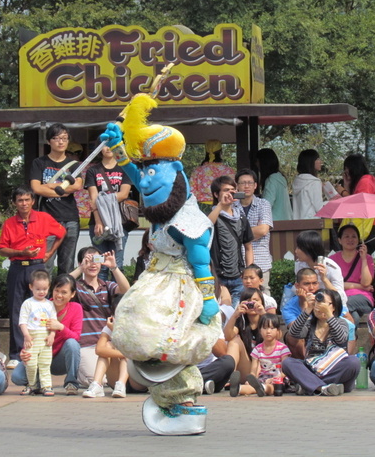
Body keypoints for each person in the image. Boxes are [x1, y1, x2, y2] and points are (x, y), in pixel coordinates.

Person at [101, 102, 221, 435]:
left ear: (177, 178)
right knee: (134, 327)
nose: (147, 183)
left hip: (178, 286)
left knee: (165, 339)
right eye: (147, 175)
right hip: (153, 279)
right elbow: (137, 176)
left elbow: (200, 260)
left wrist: (209, 298)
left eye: (156, 175)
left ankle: (182, 400)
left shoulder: (188, 220)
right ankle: (170, 399)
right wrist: (117, 149)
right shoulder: (161, 213)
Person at [0, 185, 66, 369]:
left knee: (41, 308)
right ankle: (16, 353)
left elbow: (61, 232)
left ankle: (41, 350)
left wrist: (50, 252)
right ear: (14, 203)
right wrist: (21, 251)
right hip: (17, 267)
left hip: (37, 267)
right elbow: (2, 249)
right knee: (16, 309)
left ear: (33, 201)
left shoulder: (43, 217)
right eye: (20, 200)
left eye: (27, 199)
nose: (24, 203)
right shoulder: (10, 223)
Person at [11, 274, 83, 396]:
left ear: (72, 294)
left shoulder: (76, 308)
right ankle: (39, 385)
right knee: (17, 377)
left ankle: (71, 383)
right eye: (57, 290)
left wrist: (60, 327)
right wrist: (25, 351)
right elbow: (30, 329)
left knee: (72, 344)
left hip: (58, 359)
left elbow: (76, 337)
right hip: (38, 352)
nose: (59, 295)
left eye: (64, 292)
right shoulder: (41, 305)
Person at [281, 289, 360, 396]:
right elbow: (294, 333)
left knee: (353, 361)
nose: (320, 306)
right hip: (312, 368)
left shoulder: (341, 322)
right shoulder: (309, 324)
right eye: (318, 302)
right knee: (288, 363)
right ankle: (323, 388)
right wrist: (307, 309)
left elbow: (341, 339)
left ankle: (309, 386)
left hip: (334, 368)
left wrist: (328, 315)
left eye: (325, 303)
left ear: (334, 306)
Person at [69, 247, 129, 387]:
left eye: (97, 260)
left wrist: (114, 267)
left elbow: (126, 290)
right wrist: (80, 269)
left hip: (107, 344)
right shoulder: (76, 288)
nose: (93, 264)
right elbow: (61, 284)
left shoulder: (107, 286)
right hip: (86, 345)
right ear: (80, 262)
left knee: (119, 378)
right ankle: (79, 371)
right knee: (96, 380)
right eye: (88, 260)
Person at [29, 123, 83, 275]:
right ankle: (43, 298)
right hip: (47, 219)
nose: (61, 142)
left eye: (64, 138)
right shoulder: (39, 163)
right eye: (56, 138)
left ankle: (64, 298)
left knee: (67, 265)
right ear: (48, 141)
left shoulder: (73, 165)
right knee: (45, 263)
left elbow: (76, 186)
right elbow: (36, 188)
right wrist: (60, 189)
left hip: (70, 219)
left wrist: (48, 186)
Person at [85, 141, 133, 278]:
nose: (108, 148)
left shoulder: (125, 169)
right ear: (99, 149)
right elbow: (93, 198)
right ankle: (101, 297)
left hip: (119, 223)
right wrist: (99, 221)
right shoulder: (92, 170)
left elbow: (123, 194)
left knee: (117, 263)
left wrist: (102, 199)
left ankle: (119, 298)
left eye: (111, 144)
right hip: (98, 224)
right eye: (105, 145)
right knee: (99, 263)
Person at [209, 175, 254, 307]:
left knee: (237, 314)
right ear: (216, 194)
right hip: (218, 277)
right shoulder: (212, 215)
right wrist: (220, 205)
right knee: (222, 315)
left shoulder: (241, 217)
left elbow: (248, 247)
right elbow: (207, 226)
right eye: (226, 190)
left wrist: (248, 271)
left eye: (232, 190)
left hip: (238, 277)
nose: (230, 194)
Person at [228, 314, 290, 397]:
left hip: (279, 381)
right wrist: (251, 378)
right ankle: (238, 388)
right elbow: (254, 370)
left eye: (272, 328)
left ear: (278, 331)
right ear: (260, 331)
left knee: (270, 387)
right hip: (262, 380)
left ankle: (258, 388)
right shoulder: (257, 350)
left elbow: (286, 370)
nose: (268, 331)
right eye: (264, 328)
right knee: (251, 386)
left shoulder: (282, 348)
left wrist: (274, 379)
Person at [335, 153, 375, 254]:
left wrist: (342, 191)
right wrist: (347, 184)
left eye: (346, 168)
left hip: (371, 225)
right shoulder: (366, 180)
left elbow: (359, 204)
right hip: (371, 224)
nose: (345, 172)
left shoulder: (365, 181)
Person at [18, 270, 56, 397]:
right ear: (31, 287)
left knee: (45, 363)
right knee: (31, 363)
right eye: (38, 289)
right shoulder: (27, 303)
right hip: (32, 338)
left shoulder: (50, 304)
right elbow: (22, 321)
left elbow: (53, 322)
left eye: (44, 289)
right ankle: (31, 385)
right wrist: (27, 335)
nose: (41, 292)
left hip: (45, 338)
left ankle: (46, 386)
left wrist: (52, 335)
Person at [329, 224, 374, 328]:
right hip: (341, 296)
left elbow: (366, 283)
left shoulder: (367, 258)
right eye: (346, 236)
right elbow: (332, 285)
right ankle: (351, 341)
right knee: (354, 317)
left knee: (344, 304)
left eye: (354, 236)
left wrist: (363, 259)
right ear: (339, 240)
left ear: (358, 240)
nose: (350, 239)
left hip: (362, 298)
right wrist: (360, 286)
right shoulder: (332, 260)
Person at [235, 169, 273, 292]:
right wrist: (252, 231)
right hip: (237, 263)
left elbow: (263, 230)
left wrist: (236, 233)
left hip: (260, 261)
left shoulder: (263, 204)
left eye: (250, 183)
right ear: (237, 185)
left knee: (264, 298)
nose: (246, 186)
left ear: (255, 185)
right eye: (242, 183)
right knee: (240, 298)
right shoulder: (231, 206)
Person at [294, 230, 348, 314]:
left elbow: (341, 298)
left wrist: (324, 279)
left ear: (308, 249)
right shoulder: (299, 265)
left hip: (330, 306)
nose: (296, 251)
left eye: (299, 248)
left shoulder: (332, 267)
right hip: (308, 302)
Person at [223, 288, 267, 382]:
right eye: (248, 301)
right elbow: (227, 336)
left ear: (262, 303)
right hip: (247, 368)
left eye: (255, 300)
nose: (252, 304)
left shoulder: (267, 322)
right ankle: (230, 378)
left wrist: (263, 315)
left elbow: (276, 338)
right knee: (234, 341)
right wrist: (235, 315)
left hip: (266, 368)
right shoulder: (241, 322)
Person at [83, 315, 129, 398]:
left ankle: (121, 384)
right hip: (115, 381)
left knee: (128, 348)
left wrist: (116, 332)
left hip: (136, 381)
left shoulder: (138, 326)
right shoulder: (110, 326)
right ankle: (97, 384)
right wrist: (124, 354)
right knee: (107, 346)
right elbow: (99, 350)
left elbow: (135, 351)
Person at [188, 139, 236, 211]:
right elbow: (234, 191)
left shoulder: (197, 171)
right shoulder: (229, 171)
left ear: (206, 152)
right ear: (221, 152)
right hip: (224, 205)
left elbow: (191, 192)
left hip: (201, 208)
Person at [255, 148, 292, 221]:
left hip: (275, 222)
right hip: (287, 220)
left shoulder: (271, 180)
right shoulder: (280, 177)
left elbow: (267, 203)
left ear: (263, 162)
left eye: (257, 161)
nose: (256, 164)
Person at [292, 149, 324, 220]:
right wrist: (330, 202)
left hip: (298, 223)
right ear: (311, 162)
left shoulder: (297, 180)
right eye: (318, 159)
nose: (320, 162)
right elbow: (319, 208)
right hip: (312, 223)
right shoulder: (314, 182)